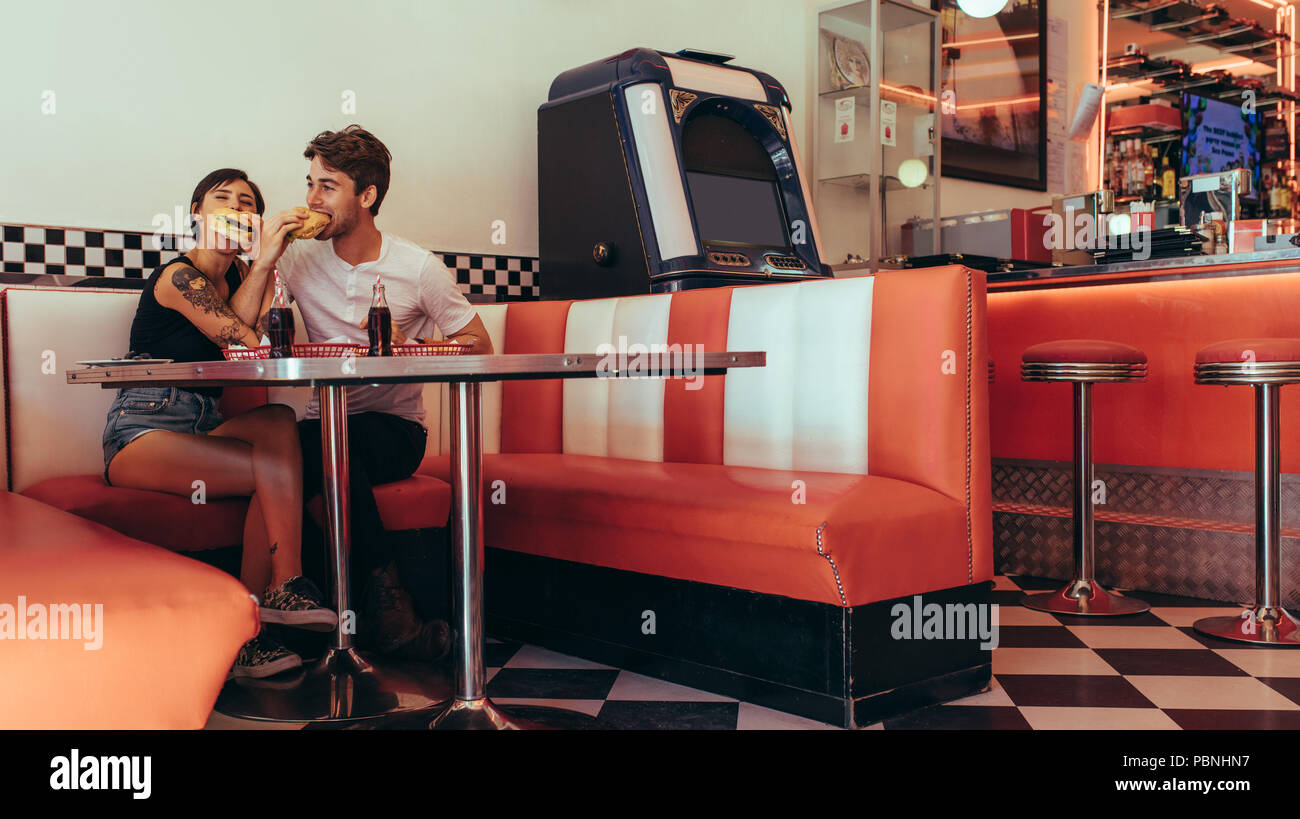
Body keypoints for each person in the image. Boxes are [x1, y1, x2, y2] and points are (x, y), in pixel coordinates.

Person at [268, 126, 492, 661]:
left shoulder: (417, 267)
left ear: (366, 197)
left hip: (395, 431)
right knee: (291, 449)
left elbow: (479, 344)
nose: (311, 199)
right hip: (326, 423)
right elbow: (248, 325)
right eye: (310, 184)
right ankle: (352, 613)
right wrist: (264, 253)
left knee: (325, 450)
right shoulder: (298, 259)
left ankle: (384, 607)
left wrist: (409, 348)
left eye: (328, 187)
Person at [102, 168, 333, 679]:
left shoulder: (241, 277)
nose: (235, 205)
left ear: (253, 221)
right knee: (273, 472)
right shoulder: (180, 276)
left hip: (204, 424)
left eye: (246, 202)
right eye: (221, 198)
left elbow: (269, 341)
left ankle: (278, 595)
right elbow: (240, 340)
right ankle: (253, 625)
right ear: (197, 216)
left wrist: (270, 267)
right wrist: (266, 258)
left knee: (277, 423)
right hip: (142, 428)